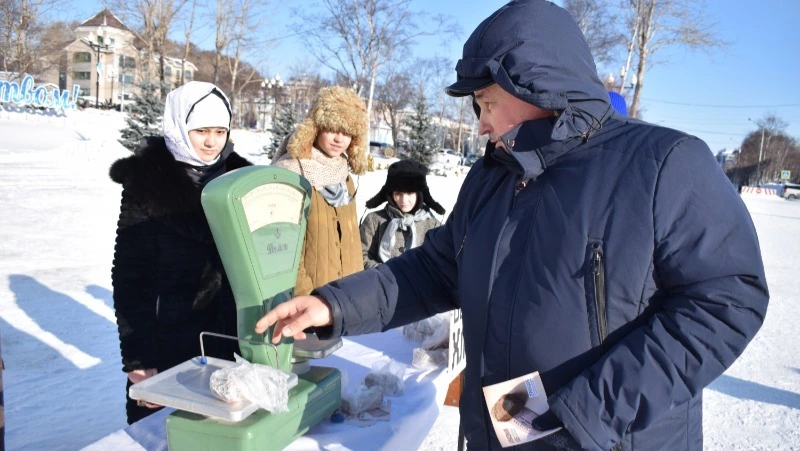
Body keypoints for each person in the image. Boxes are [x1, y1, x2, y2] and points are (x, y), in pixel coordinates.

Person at [255, 1, 769, 450]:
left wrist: (586, 417)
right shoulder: (493, 175)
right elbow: (436, 270)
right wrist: (334, 304)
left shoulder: (663, 164)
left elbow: (727, 299)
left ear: (536, 86)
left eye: (486, 104)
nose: (479, 123)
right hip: (502, 431)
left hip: (604, 437)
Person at [110, 81, 251, 424]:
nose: (211, 141)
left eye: (220, 131)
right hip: (170, 341)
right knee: (171, 434)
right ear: (179, 126)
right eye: (201, 130)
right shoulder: (147, 183)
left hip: (232, 339)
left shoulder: (242, 177)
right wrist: (139, 358)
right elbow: (131, 280)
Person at [271, 86, 367, 296]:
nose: (339, 139)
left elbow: (351, 237)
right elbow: (283, 247)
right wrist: (305, 295)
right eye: (332, 129)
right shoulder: (292, 174)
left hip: (348, 296)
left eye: (347, 133)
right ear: (315, 127)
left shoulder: (345, 175)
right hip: (311, 299)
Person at [360, 159, 444, 269]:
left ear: (419, 194)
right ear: (390, 194)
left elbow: (439, 261)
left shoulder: (433, 225)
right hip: (379, 282)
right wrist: (384, 274)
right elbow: (361, 255)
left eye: (410, 193)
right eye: (398, 193)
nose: (404, 200)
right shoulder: (374, 220)